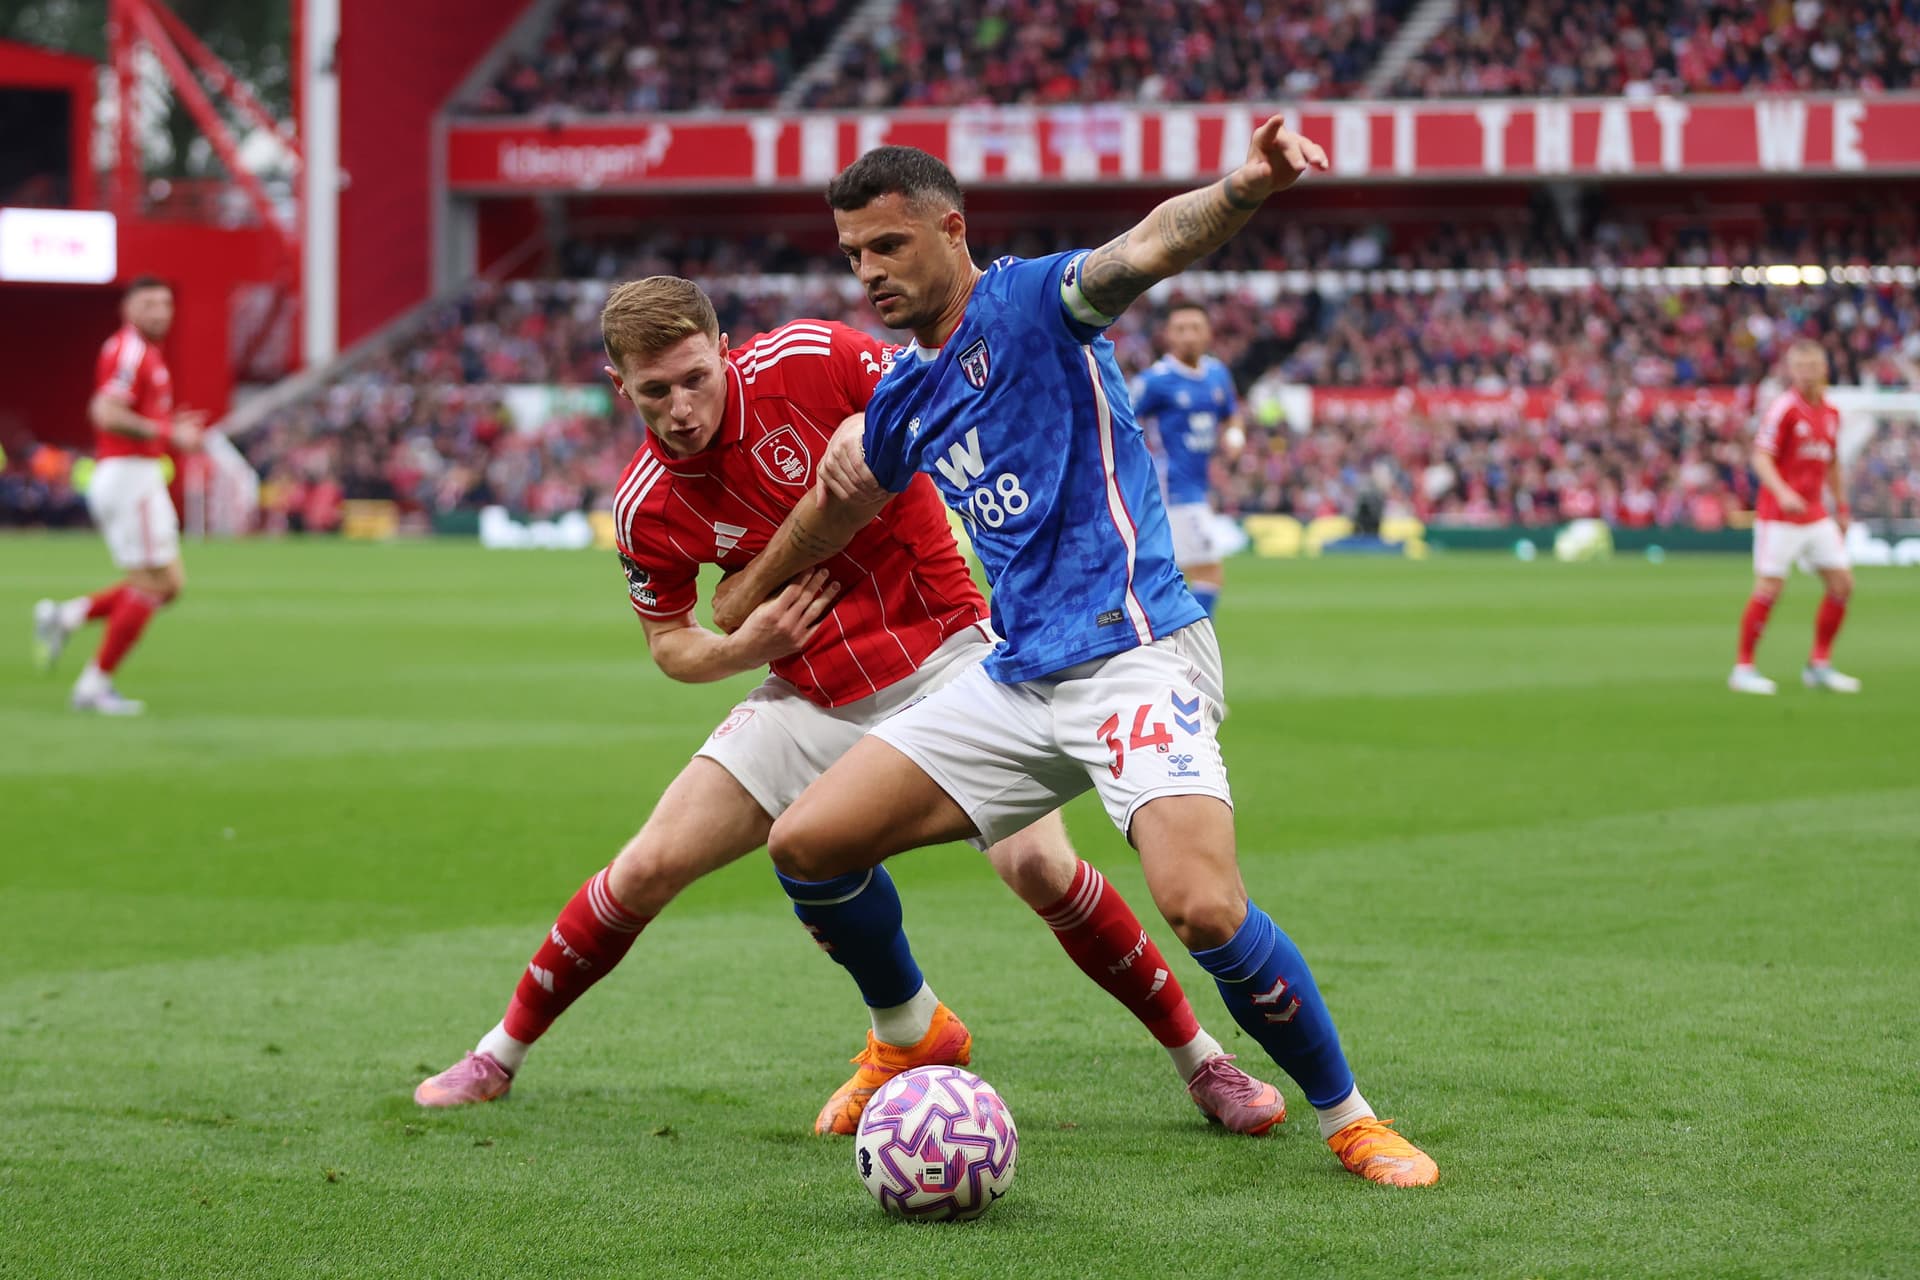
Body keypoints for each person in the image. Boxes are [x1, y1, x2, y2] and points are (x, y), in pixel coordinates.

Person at [719, 125, 1439, 1186]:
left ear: (949, 229)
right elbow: (837, 501)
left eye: (887, 245)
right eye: (852, 255)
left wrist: (1244, 184)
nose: (868, 271)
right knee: (809, 840)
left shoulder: (1028, 303)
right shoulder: (907, 397)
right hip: (1019, 673)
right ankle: (910, 1031)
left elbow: (1146, 247)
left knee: (1200, 902)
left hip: (1137, 648)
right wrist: (748, 590)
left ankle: (1352, 1118)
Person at [416, 276, 1284, 1138]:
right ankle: (501, 1052)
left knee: (1037, 868)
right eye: (654, 392)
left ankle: (1203, 1060)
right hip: (810, 691)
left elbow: (932, 392)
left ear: (724, 351)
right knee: (646, 867)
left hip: (950, 657)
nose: (681, 407)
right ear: (620, 387)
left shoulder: (809, 357)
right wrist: (742, 651)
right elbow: (672, 644)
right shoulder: (647, 504)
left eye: (694, 379)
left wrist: (865, 429)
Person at [33, 276, 204, 714]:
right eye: (149, 304)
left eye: (166, 303)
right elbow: (106, 412)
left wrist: (161, 427)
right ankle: (93, 685)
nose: (161, 312)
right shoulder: (130, 350)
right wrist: (168, 432)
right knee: (155, 584)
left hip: (136, 475)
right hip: (130, 477)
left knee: (168, 584)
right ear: (128, 309)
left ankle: (66, 616)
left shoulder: (144, 353)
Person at [1730, 340, 1859, 695]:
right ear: (1790, 371)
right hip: (1779, 515)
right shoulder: (1784, 408)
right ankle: (1743, 668)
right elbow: (1761, 457)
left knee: (1842, 584)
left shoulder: (1831, 413)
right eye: (1798, 367)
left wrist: (1842, 507)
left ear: (1824, 369)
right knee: (1770, 586)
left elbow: (1832, 463)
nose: (1804, 374)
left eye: (1811, 366)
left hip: (1815, 513)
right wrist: (1783, 492)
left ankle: (1819, 664)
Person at [1130, 303, 1240, 616]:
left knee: (1164, 575)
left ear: (1208, 333)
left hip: (1197, 487)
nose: (1188, 335)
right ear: (1167, 336)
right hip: (1173, 487)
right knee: (1208, 572)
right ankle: (1191, 652)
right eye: (1180, 329)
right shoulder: (1155, 381)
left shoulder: (1217, 374)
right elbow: (1119, 421)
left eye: (1195, 327)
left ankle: (1168, 646)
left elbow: (1231, 415)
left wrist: (1235, 437)